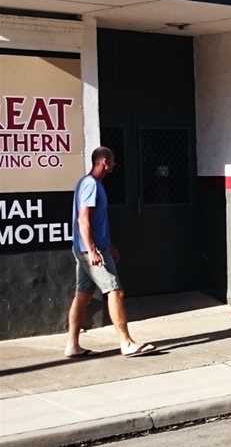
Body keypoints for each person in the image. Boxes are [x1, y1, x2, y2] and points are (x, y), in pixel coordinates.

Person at [66, 147, 156, 358]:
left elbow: (95, 222)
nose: (115, 164)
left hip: (91, 249)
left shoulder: (88, 183)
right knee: (115, 291)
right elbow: (83, 219)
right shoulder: (91, 185)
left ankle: (72, 345)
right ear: (104, 161)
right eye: (113, 160)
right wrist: (93, 250)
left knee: (82, 296)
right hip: (91, 252)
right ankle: (126, 342)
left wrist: (108, 245)